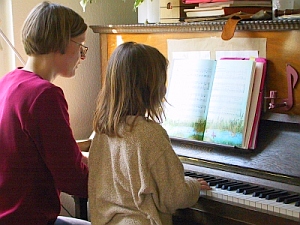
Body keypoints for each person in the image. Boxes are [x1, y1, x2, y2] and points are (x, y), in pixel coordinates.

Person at [88, 42, 211, 225]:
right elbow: (174, 197)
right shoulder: (149, 134)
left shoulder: (102, 131)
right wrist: (193, 186)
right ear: (151, 87)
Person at [0, 2, 90, 225]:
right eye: (81, 47)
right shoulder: (45, 95)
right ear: (62, 42)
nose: (82, 57)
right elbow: (75, 181)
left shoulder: (9, 80)